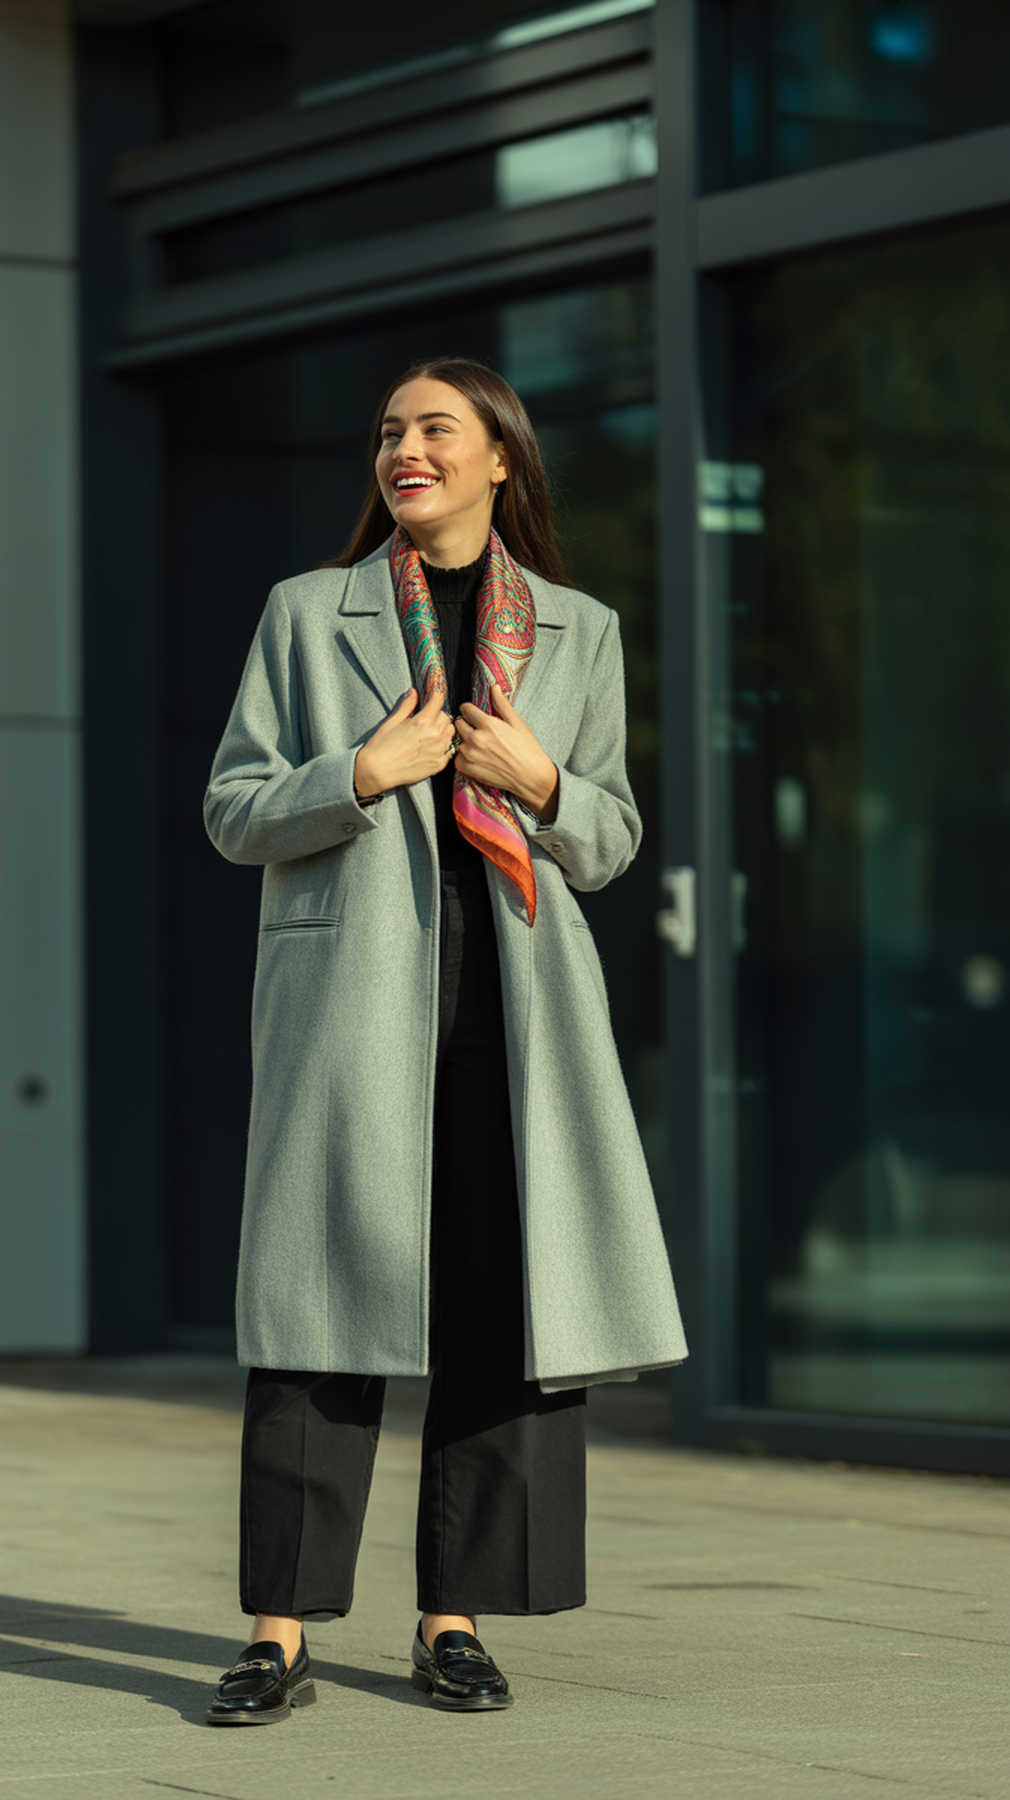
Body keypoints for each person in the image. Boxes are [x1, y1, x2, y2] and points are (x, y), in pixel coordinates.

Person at [202, 356, 686, 1724]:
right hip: (349, 1009)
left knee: (499, 1308)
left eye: (433, 430)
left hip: (516, 1019)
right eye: (387, 433)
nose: (402, 450)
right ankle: (279, 1634)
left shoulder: (578, 632)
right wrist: (360, 773)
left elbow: (611, 841)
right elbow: (233, 811)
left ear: (499, 462)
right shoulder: (307, 615)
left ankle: (454, 1621)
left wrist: (542, 783)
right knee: (313, 1311)